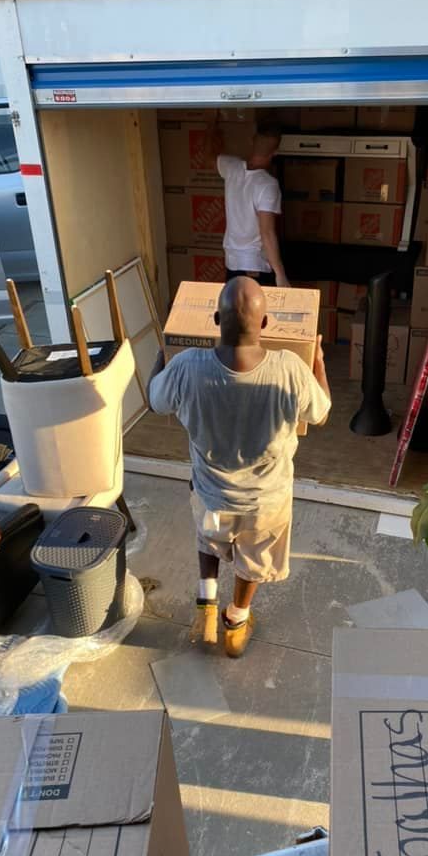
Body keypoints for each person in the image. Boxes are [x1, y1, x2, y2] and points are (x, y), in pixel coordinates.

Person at [148, 276, 331, 658]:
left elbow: (155, 401)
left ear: (216, 319)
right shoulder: (291, 370)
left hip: (211, 493)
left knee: (209, 537)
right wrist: (319, 364)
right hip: (265, 504)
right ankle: (235, 622)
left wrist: (159, 356)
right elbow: (321, 413)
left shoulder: (186, 367)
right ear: (265, 325)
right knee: (253, 561)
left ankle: (206, 606)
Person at [214, 125, 289, 288]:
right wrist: (280, 274)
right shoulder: (267, 185)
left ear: (252, 141)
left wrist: (211, 124)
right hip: (255, 266)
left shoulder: (231, 167)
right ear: (275, 152)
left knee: (236, 310)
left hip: (232, 262)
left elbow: (208, 157)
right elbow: (267, 232)